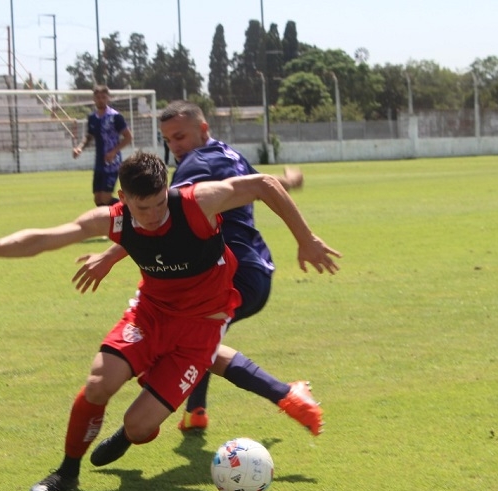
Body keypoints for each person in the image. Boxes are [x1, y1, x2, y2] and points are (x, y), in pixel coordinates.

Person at [0, 152, 340, 491]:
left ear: (167, 190)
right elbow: (47, 238)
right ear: (122, 198)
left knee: (138, 425)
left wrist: (306, 239)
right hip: (151, 314)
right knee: (99, 384)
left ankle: (131, 432)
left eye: (159, 203)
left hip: (202, 325)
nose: (152, 216)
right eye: (141, 208)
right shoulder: (113, 220)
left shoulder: (197, 202)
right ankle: (67, 472)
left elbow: (265, 184)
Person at [73, 100, 326, 435]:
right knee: (194, 340)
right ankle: (196, 410)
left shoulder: (195, 165)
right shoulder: (228, 154)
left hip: (223, 273)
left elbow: (157, 221)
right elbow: (260, 184)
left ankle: (285, 394)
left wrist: (109, 255)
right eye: (168, 140)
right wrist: (288, 180)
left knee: (190, 341)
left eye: (180, 137)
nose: (175, 146)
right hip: (255, 269)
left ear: (203, 129)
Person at [72, 85, 133, 206]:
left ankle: (131, 209)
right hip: (99, 163)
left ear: (108, 98)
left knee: (105, 199)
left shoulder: (115, 117)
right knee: (98, 200)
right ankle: (117, 215)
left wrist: (114, 152)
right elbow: (89, 136)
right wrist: (79, 147)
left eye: (103, 97)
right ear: (94, 99)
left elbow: (128, 137)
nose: (100, 100)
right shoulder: (92, 118)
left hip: (112, 164)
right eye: (98, 97)